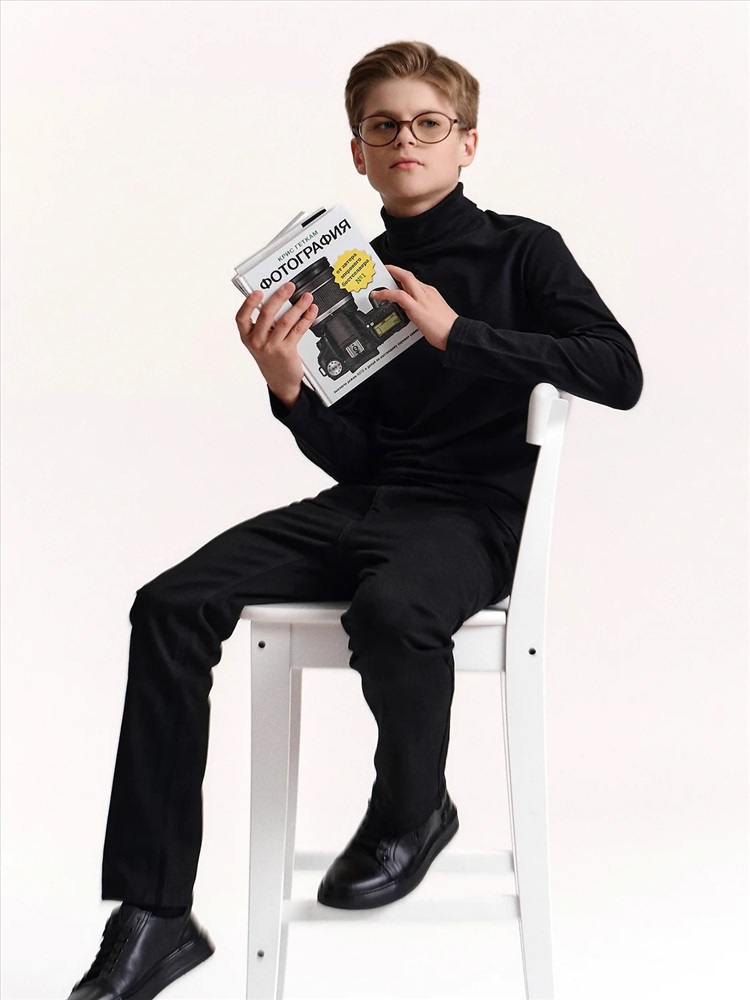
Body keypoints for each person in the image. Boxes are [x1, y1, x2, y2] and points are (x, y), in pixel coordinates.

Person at [67, 40, 643, 999]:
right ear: (358, 153)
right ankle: (154, 914)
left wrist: (461, 334)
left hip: (474, 518)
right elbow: (361, 459)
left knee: (392, 609)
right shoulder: (344, 274)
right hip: (369, 503)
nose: (405, 139)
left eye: (428, 124)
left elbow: (618, 372)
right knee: (168, 604)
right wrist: (290, 390)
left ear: (465, 143)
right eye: (384, 126)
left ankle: (413, 811)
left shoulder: (523, 250)